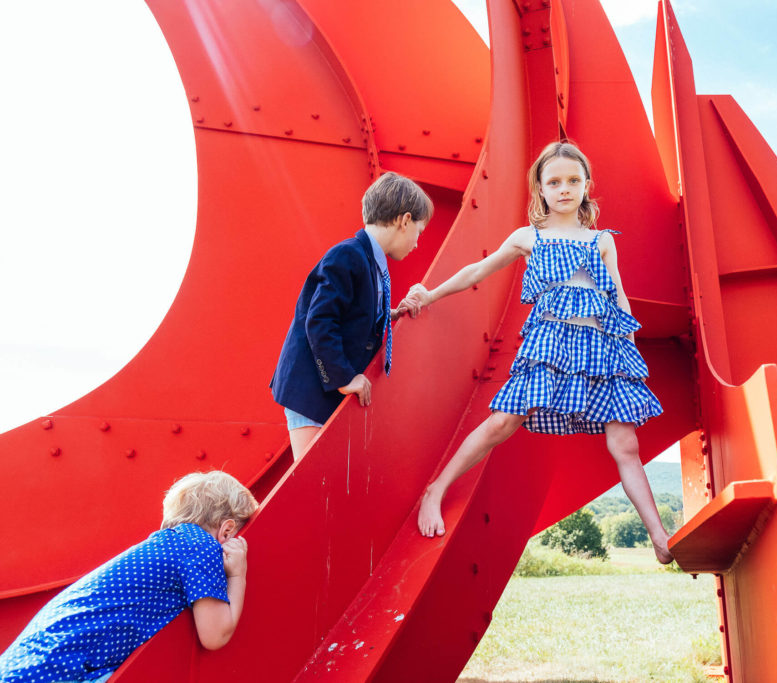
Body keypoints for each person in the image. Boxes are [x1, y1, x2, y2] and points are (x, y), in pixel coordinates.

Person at [411, 141, 673, 563]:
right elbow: (478, 270)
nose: (564, 189)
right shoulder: (528, 237)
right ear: (541, 189)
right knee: (503, 422)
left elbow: (619, 297)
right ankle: (435, 490)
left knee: (625, 443)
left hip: (601, 348)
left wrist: (629, 353)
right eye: (554, 182)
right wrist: (430, 295)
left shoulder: (602, 241)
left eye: (573, 180)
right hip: (550, 342)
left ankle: (659, 536)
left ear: (586, 185)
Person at [0, 470, 259, 683]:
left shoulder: (163, 545)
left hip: (26, 663)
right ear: (227, 531)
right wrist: (237, 574)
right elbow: (215, 635)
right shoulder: (200, 545)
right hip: (59, 671)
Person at [270, 172, 432, 461]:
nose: (417, 243)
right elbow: (320, 321)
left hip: (323, 389)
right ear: (404, 220)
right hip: (311, 391)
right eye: (419, 232)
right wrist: (343, 378)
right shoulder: (348, 255)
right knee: (313, 481)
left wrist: (391, 315)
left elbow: (352, 316)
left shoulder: (369, 261)